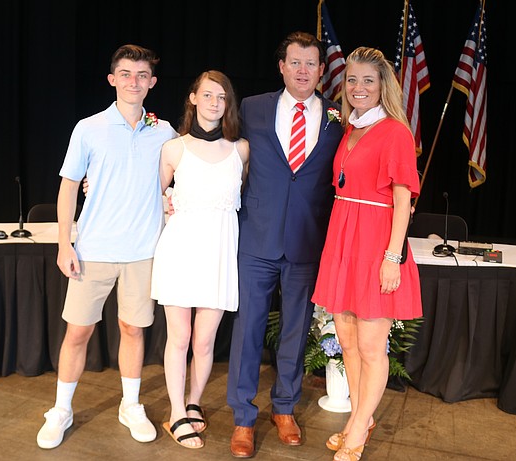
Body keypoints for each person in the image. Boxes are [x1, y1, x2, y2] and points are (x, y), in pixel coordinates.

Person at [36, 44, 177, 450]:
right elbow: (67, 187)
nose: (134, 82)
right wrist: (66, 243)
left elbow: (178, 179)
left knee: (132, 329)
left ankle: (130, 405)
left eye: (142, 75)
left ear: (152, 82)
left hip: (143, 251)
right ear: (112, 79)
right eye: (126, 74)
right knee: (77, 332)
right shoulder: (89, 128)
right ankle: (61, 409)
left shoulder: (164, 132)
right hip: (94, 249)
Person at [227, 31, 344, 458]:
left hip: (307, 241)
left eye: (311, 64)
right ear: (282, 66)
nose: (303, 71)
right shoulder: (253, 108)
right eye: (295, 62)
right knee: (248, 330)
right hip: (256, 237)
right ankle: (242, 417)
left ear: (321, 69)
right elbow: (226, 156)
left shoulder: (337, 114)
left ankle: (284, 408)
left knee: (295, 330)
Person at [311, 46, 422, 461]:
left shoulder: (394, 131)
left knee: (373, 348)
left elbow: (402, 199)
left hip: (377, 243)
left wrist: (392, 258)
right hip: (343, 238)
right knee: (349, 343)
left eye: (368, 81)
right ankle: (362, 417)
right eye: (352, 79)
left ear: (383, 86)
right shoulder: (348, 129)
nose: (358, 87)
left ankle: (357, 429)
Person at [150, 70, 249, 449]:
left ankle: (193, 403)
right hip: (180, 252)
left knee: (205, 342)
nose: (214, 102)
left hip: (219, 254)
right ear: (193, 98)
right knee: (181, 337)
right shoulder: (174, 149)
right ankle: (176, 413)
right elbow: (154, 199)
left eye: (221, 97)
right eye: (207, 95)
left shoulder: (240, 149)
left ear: (228, 104)